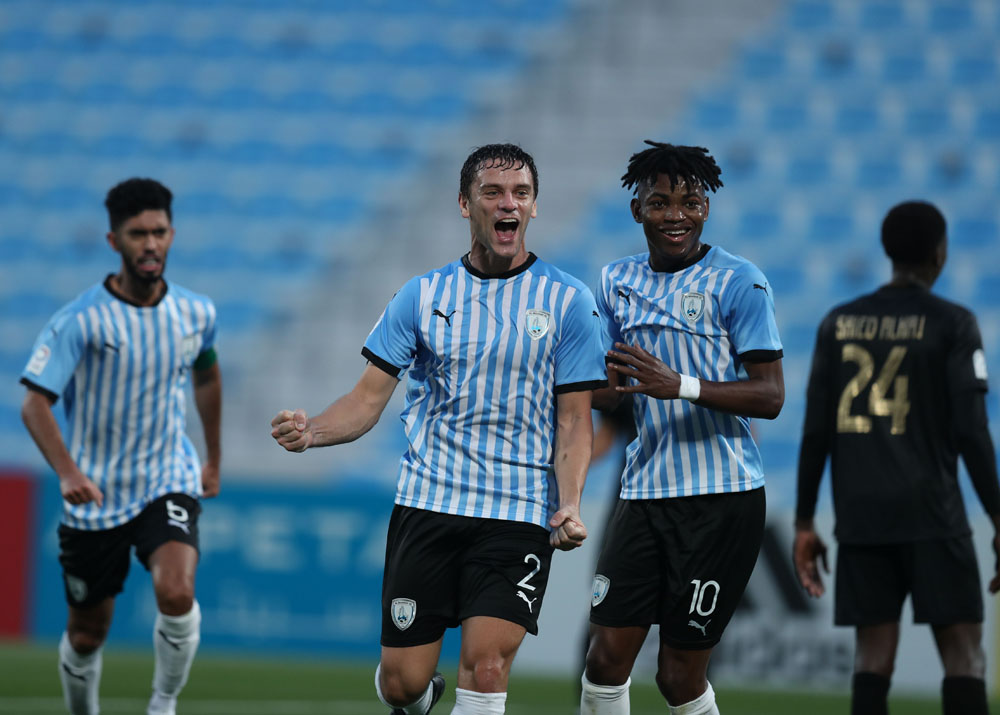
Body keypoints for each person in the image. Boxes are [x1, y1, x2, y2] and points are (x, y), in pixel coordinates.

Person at [270, 143, 607, 715]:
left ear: (534, 207)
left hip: (518, 511)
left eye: (521, 193)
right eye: (493, 192)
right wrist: (314, 431)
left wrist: (569, 503)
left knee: (487, 666)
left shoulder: (568, 301)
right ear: (463, 204)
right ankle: (420, 697)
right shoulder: (422, 295)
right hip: (429, 503)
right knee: (402, 684)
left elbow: (575, 420)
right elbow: (366, 399)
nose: (509, 204)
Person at [580, 141, 785, 715]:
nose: (676, 215)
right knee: (603, 661)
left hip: (721, 502)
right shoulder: (615, 280)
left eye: (690, 202)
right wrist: (587, 388)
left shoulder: (740, 282)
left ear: (706, 209)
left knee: (677, 676)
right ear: (637, 210)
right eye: (660, 202)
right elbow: (608, 389)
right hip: (643, 494)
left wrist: (683, 385)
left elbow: (771, 396)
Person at [20, 178, 222, 715]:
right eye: (138, 234)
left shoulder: (196, 313)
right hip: (95, 493)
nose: (150, 244)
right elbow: (34, 403)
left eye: (159, 232)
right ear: (114, 241)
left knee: (176, 592)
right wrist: (66, 472)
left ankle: (162, 705)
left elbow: (207, 376)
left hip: (167, 479)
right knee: (87, 634)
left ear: (172, 234)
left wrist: (213, 458)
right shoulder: (80, 320)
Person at [793, 200, 1000, 715]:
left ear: (887, 251)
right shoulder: (954, 324)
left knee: (872, 657)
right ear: (939, 253)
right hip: (935, 515)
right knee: (964, 656)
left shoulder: (837, 324)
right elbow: (972, 431)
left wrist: (803, 520)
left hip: (862, 519)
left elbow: (816, 430)